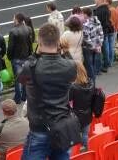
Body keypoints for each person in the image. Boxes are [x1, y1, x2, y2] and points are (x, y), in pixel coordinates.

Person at [19, 23, 78, 160]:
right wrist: (64, 52)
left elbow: (21, 79)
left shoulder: (31, 67)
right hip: (62, 127)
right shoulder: (70, 65)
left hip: (40, 129)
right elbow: (71, 72)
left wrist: (35, 55)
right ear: (58, 42)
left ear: (39, 41)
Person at [69, 62, 95, 151]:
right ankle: (86, 152)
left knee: (73, 136)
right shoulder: (91, 82)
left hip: (76, 115)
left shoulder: (73, 87)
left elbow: (67, 100)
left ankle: (75, 153)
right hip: (88, 113)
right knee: (85, 134)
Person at [81, 7, 104, 85]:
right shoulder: (97, 21)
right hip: (96, 47)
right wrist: (99, 45)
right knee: (94, 65)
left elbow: (86, 38)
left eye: (82, 14)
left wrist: (93, 46)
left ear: (85, 14)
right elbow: (101, 33)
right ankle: (93, 81)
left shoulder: (86, 24)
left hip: (88, 48)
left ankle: (91, 84)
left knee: (89, 66)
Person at [93, 0, 114, 72]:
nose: (94, 0)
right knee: (106, 48)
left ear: (100, 0)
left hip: (100, 32)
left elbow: (97, 22)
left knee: (103, 49)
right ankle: (106, 63)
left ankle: (104, 65)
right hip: (105, 30)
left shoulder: (99, 11)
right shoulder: (106, 9)